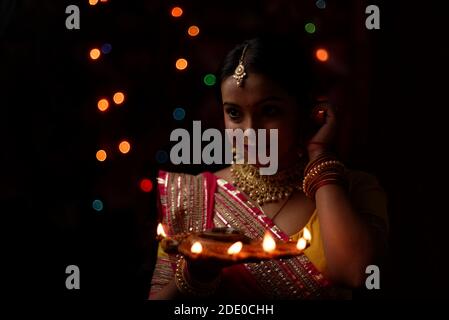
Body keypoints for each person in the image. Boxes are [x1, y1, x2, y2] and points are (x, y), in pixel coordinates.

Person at [149, 36, 388, 300]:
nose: (250, 132)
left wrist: (319, 155)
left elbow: (353, 272)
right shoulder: (190, 196)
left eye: (270, 111)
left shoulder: (355, 189)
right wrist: (196, 276)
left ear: (306, 111)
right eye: (235, 113)